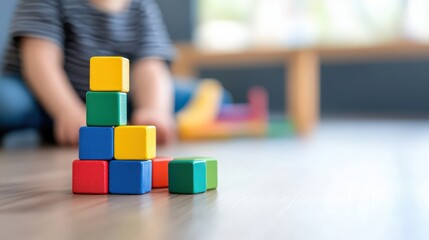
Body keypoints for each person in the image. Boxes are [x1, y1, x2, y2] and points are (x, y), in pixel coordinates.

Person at [0, 0, 179, 146]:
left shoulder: (142, 6)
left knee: (185, 93)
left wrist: (153, 110)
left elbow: (151, 65)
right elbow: (41, 62)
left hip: (114, 104)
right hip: (41, 97)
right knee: (7, 101)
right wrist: (67, 111)